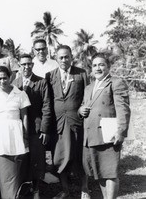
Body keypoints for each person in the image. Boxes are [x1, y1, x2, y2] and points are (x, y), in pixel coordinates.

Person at [78, 53, 131, 199]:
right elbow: (84, 105)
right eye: (94, 65)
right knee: (100, 173)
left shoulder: (115, 82)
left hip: (109, 135)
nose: (98, 68)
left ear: (108, 67)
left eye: (101, 64)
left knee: (110, 173)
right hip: (91, 136)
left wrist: (121, 131)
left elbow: (123, 109)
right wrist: (80, 110)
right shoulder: (89, 87)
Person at [46, 45, 89, 199]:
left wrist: (82, 108)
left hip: (76, 122)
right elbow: (48, 101)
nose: (64, 60)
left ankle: (85, 189)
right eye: (61, 57)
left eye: (66, 57)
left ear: (71, 57)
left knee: (80, 156)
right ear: (56, 58)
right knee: (59, 156)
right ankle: (65, 190)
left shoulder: (81, 74)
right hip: (58, 124)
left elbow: (87, 96)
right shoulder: (49, 75)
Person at [0, 66, 30, 199]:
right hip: (0, 136)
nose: (2, 81)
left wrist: (25, 136)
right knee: (4, 174)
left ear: (10, 78)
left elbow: (24, 116)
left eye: (5, 78)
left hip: (17, 136)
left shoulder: (20, 94)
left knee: (17, 172)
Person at [12, 54, 51, 199]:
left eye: (29, 64)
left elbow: (47, 106)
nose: (26, 67)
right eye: (23, 64)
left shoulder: (41, 82)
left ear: (32, 65)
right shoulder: (14, 83)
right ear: (19, 66)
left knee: (36, 159)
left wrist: (45, 128)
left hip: (36, 128)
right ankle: (22, 188)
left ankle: (36, 189)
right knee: (21, 158)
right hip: (18, 128)